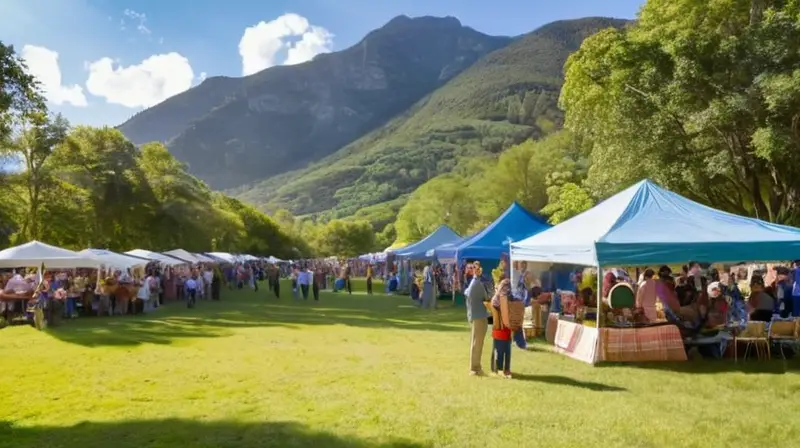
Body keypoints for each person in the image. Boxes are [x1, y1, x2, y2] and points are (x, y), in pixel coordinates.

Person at [465, 263, 489, 376]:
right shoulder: (476, 283)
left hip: (478, 315)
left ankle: (475, 367)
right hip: (478, 316)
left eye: (478, 268)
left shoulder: (475, 282)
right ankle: (475, 368)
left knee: (477, 343)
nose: (478, 270)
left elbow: (467, 292)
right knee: (477, 343)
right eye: (476, 268)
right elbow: (485, 297)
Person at [490, 278, 513, 378]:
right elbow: (505, 316)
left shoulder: (496, 297)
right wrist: (512, 326)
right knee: (503, 351)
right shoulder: (502, 297)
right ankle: (501, 370)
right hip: (503, 329)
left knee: (498, 349)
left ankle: (497, 369)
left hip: (498, 330)